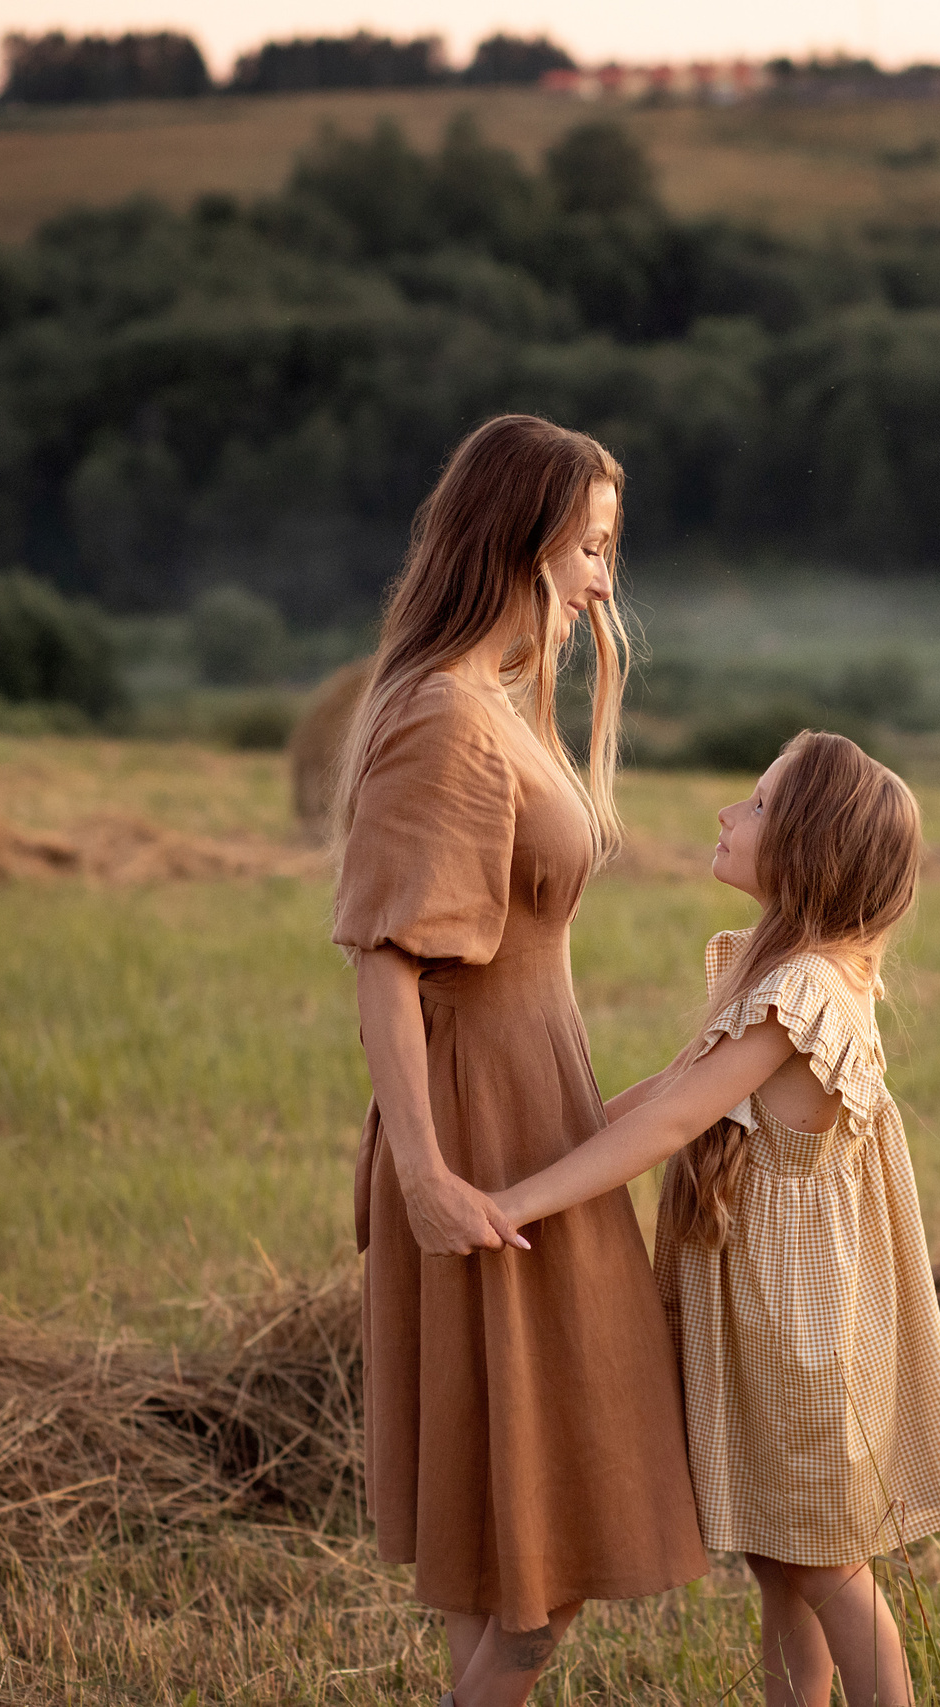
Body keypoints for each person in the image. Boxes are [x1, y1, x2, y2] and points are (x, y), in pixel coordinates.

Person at [328, 414, 706, 1707]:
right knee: (542, 1567)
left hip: (544, 1107)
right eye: (589, 546)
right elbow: (388, 958)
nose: (605, 578)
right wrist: (429, 1171)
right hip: (485, 1128)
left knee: (515, 1558)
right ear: (518, 538)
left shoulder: (500, 702)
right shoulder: (443, 716)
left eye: (611, 547)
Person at [489, 731, 940, 1707]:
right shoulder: (786, 974)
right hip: (772, 1316)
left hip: (797, 1330)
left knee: (824, 1562)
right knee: (780, 1556)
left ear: (810, 848)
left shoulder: (799, 994)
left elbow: (675, 1120)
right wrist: (547, 1149)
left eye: (754, 805)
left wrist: (518, 1201)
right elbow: (670, 1088)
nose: (726, 814)